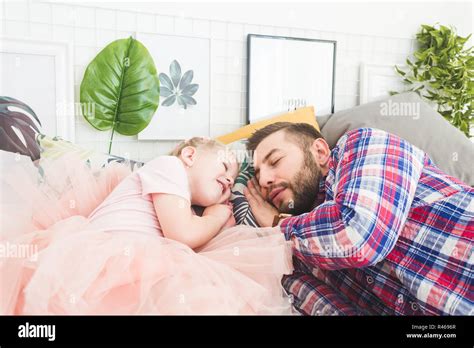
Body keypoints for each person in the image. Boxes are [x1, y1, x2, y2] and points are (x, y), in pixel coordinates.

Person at [0, 137, 293, 315]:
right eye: (225, 166)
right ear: (190, 156)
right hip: (105, 254)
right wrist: (215, 217)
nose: (230, 180)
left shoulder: (184, 202)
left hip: (132, 263)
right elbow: (182, 234)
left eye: (232, 181)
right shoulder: (168, 168)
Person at [243, 122, 473, 315]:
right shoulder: (298, 251)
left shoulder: (362, 144)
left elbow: (358, 236)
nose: (264, 181)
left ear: (320, 152)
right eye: (258, 174)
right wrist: (274, 241)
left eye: (274, 162)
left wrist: (278, 225)